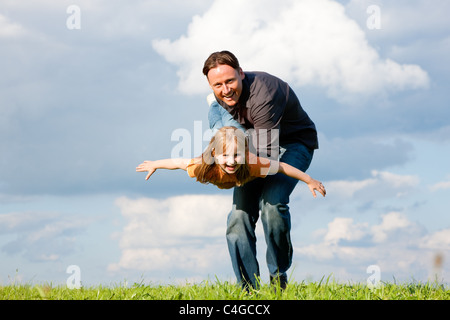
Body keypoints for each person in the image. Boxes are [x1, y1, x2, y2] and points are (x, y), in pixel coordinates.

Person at [202, 51, 321, 289]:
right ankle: (248, 290)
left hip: (291, 145)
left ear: (241, 74)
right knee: (238, 217)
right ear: (210, 85)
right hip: (251, 146)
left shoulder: (264, 94)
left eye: (230, 81)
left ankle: (278, 280)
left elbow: (266, 157)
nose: (225, 89)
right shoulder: (224, 102)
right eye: (218, 85)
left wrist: (231, 170)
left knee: (272, 205)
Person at [136, 126, 326, 197]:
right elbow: (179, 162)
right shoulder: (203, 165)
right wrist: (155, 164)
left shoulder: (252, 163)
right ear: (213, 154)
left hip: (241, 169)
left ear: (245, 153)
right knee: (220, 125)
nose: (231, 161)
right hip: (222, 166)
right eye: (225, 156)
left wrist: (309, 180)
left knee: (234, 130)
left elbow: (283, 167)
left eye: (236, 155)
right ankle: (214, 104)